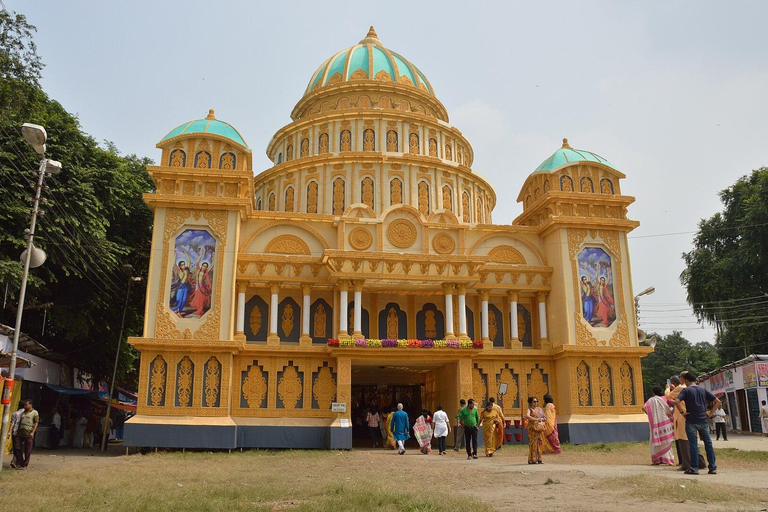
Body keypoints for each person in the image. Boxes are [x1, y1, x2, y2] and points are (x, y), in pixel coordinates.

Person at [674, 372, 719, 475]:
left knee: (693, 444)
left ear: (686, 380)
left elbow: (676, 401)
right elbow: (717, 401)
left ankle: (694, 468)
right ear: (695, 380)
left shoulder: (686, 390)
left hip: (691, 420)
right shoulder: (702, 389)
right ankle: (712, 467)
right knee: (708, 443)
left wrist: (683, 413)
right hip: (703, 419)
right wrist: (710, 414)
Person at [642, 386, 675, 465]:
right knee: (666, 441)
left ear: (653, 392)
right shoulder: (664, 398)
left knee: (657, 441)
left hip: (656, 425)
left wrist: (650, 415)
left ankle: (657, 460)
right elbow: (675, 402)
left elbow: (643, 407)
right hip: (666, 424)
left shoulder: (651, 400)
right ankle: (668, 459)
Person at [666, 375, 692, 471]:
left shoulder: (681, 388)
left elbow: (668, 397)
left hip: (682, 417)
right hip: (687, 416)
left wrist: (667, 389)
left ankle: (686, 464)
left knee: (683, 440)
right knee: (691, 440)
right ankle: (698, 462)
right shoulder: (687, 388)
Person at [13, 399, 39, 470]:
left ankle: (25, 464)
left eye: (26, 405)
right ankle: (21, 462)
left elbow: (36, 423)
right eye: (24, 405)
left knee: (27, 449)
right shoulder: (22, 413)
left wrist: (32, 432)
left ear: (30, 405)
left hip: (29, 433)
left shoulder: (34, 412)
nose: (25, 406)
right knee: (17, 447)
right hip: (20, 432)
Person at [526, 396, 546, 464]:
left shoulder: (540, 409)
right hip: (532, 429)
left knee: (540, 443)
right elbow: (527, 416)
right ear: (531, 403)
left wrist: (542, 420)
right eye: (534, 401)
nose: (536, 403)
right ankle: (532, 459)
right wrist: (536, 419)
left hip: (539, 428)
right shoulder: (530, 410)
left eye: (537, 401)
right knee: (533, 444)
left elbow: (544, 417)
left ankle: (540, 458)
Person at [8, 401, 24, 469]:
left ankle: (16, 461)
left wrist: (9, 432)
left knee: (16, 447)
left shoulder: (15, 413)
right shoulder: (26, 414)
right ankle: (17, 461)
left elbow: (12, 423)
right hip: (23, 432)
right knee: (18, 447)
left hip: (15, 432)